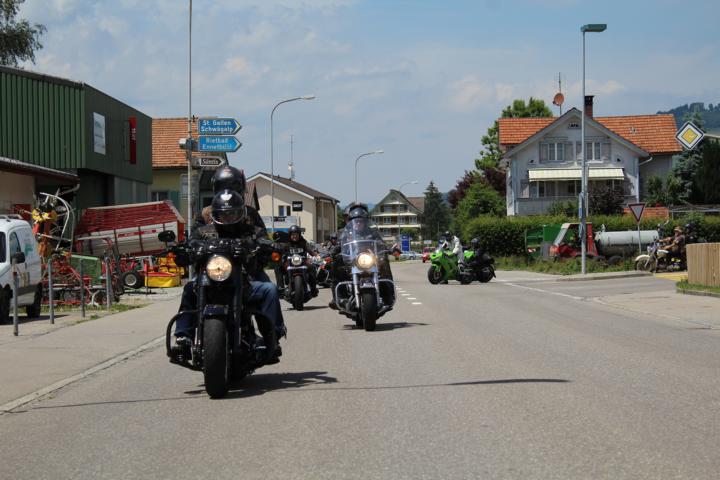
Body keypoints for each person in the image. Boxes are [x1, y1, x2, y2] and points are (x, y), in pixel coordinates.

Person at [173, 167, 285, 361]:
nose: (228, 217)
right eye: (224, 186)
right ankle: (184, 337)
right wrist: (187, 250)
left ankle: (271, 337)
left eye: (232, 186)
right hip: (213, 272)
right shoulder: (205, 215)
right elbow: (193, 239)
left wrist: (263, 247)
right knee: (190, 289)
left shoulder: (250, 215)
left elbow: (261, 237)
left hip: (245, 272)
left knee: (269, 290)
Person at [329, 203, 393, 309]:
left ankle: (388, 296)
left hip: (369, 259)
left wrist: (389, 249)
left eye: (361, 221)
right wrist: (332, 252)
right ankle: (339, 298)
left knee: (384, 262)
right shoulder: (345, 233)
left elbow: (381, 243)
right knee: (336, 265)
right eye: (356, 221)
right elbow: (339, 245)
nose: (358, 223)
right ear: (351, 221)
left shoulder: (372, 232)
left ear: (365, 221)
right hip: (351, 260)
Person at [276, 224, 319, 297]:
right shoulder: (286, 243)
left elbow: (310, 249)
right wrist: (276, 247)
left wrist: (316, 254)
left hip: (302, 263)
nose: (294, 236)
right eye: (293, 234)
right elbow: (280, 248)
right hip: (289, 263)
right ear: (290, 235)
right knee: (278, 267)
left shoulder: (303, 242)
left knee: (312, 268)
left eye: (296, 234)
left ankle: (313, 288)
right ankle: (281, 288)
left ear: (299, 235)